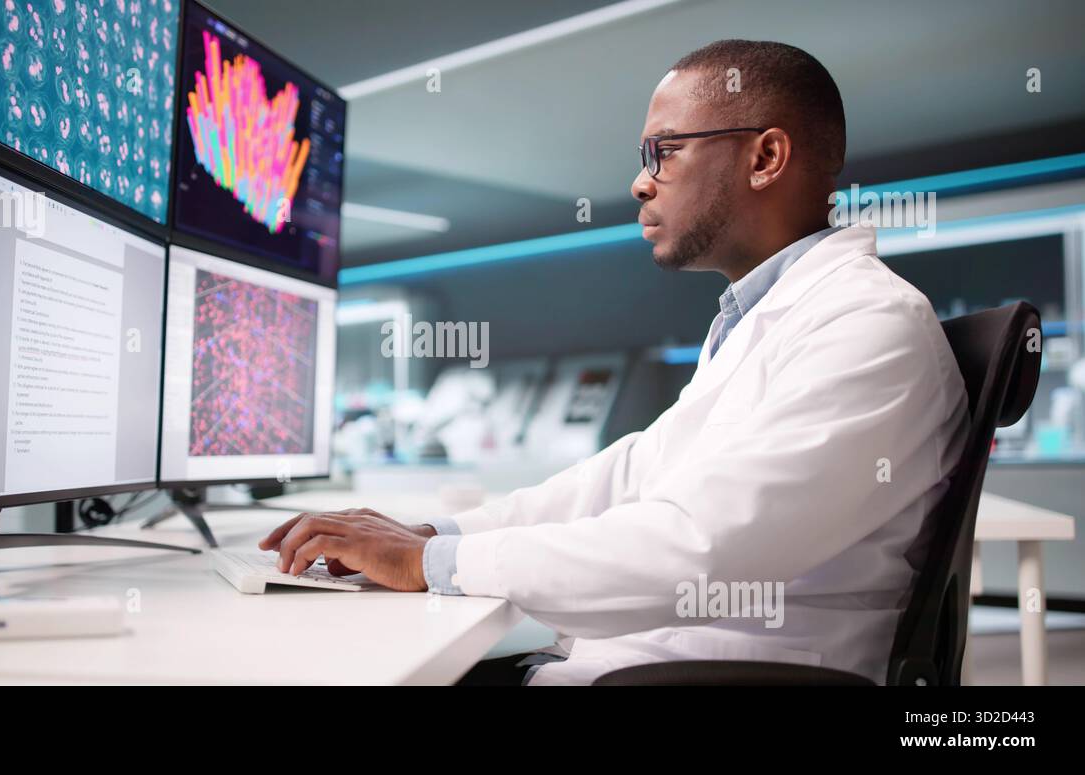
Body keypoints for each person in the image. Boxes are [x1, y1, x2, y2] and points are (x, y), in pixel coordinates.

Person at [260, 40, 970, 685]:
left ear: (764, 158)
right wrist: (435, 536)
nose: (640, 182)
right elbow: (628, 474)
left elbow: (699, 545)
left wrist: (429, 564)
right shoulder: (756, 320)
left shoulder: (868, 324)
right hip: (640, 659)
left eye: (663, 151)